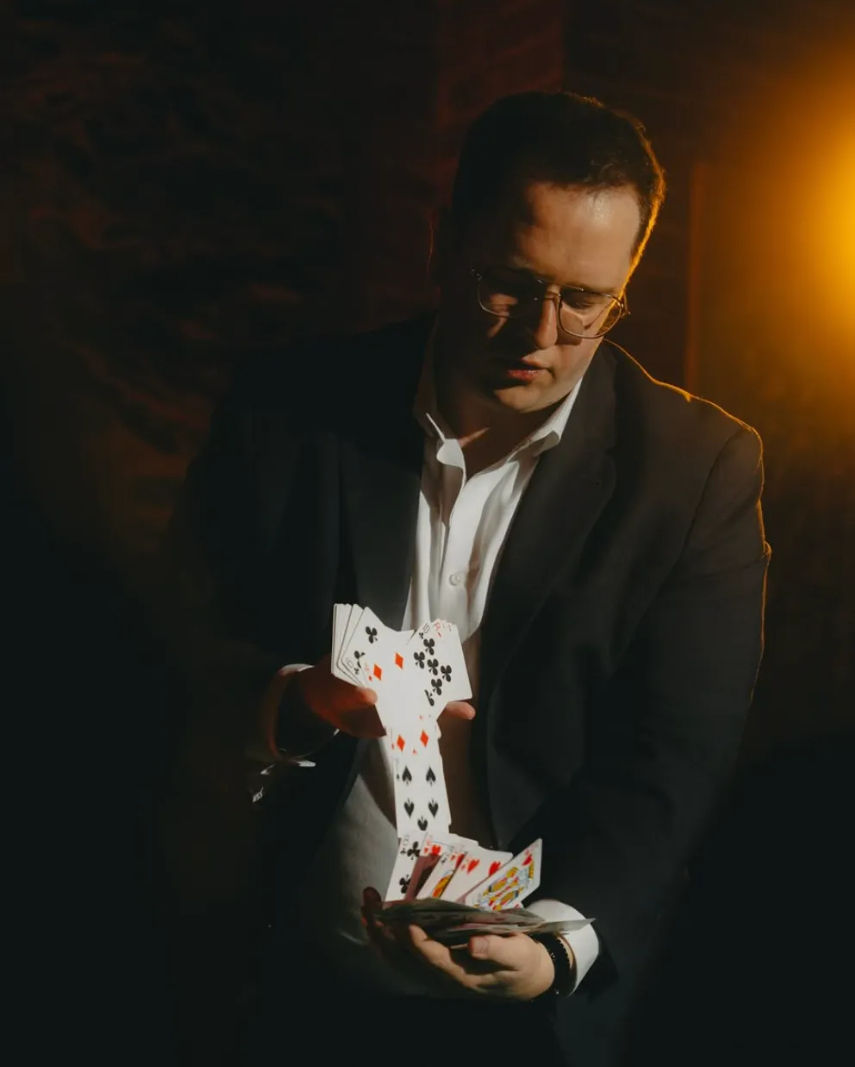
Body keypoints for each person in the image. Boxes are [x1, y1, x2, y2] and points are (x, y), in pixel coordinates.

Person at [164, 91, 770, 1066]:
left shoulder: (697, 473)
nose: (541, 333)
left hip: (534, 1028)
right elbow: (171, 647)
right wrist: (291, 701)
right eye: (510, 281)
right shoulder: (287, 409)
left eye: (585, 301)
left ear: (627, 282)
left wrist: (562, 940)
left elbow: (673, 761)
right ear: (444, 243)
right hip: (281, 984)